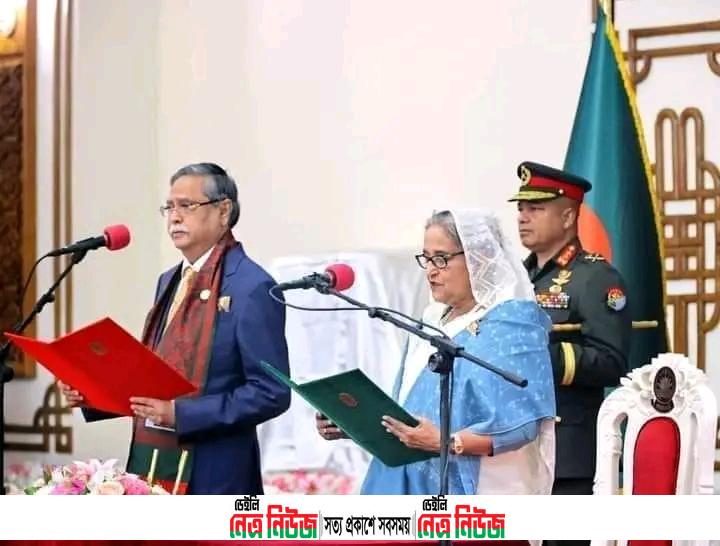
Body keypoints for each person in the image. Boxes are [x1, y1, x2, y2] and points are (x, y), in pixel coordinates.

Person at [60, 162, 291, 494]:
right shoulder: (169, 280)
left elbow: (271, 392)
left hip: (215, 475)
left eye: (187, 205)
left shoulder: (252, 286)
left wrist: (181, 414)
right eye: (169, 207)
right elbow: (151, 376)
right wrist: (91, 393)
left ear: (223, 211)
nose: (175, 217)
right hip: (153, 466)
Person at [316, 209, 556, 494]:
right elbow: (409, 409)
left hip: (477, 488)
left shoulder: (512, 323)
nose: (430, 270)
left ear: (479, 258)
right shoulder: (430, 320)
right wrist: (355, 423)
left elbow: (522, 425)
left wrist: (446, 442)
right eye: (427, 259)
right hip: (407, 478)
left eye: (441, 259)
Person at [509, 161, 631, 504]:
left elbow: (611, 361)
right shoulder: (515, 279)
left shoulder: (595, 278)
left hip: (568, 453)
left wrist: (540, 358)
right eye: (521, 208)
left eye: (535, 209)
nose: (522, 217)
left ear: (567, 217)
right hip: (514, 449)